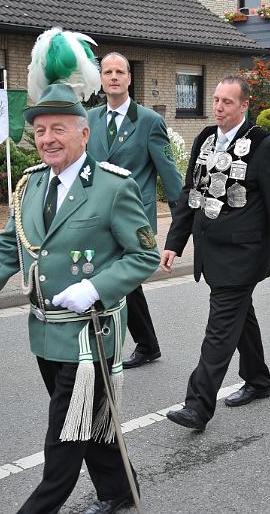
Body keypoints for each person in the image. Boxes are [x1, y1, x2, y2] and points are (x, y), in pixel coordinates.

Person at [0, 32, 159, 513]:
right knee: (87, 421)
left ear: (83, 134)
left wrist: (95, 286)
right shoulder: (29, 185)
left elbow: (144, 256)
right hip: (46, 333)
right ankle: (120, 490)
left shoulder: (112, 187)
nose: (47, 138)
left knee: (64, 437)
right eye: (41, 130)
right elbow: (9, 246)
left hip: (90, 336)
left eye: (59, 129)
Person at [161, 76, 270, 431]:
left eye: (227, 102)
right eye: (216, 100)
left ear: (244, 105)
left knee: (219, 331)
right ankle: (258, 379)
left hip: (242, 254)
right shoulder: (205, 138)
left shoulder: (263, 144)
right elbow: (190, 193)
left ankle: (197, 405)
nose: (219, 108)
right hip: (211, 251)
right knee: (240, 318)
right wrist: (175, 242)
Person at [86, 52, 183, 369]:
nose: (113, 77)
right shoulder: (89, 119)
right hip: (97, 216)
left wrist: (182, 226)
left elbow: (170, 175)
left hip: (133, 218)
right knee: (120, 281)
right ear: (101, 79)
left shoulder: (149, 121)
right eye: (107, 72)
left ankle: (130, 343)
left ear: (129, 78)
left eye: (120, 72)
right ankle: (145, 344)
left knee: (121, 279)